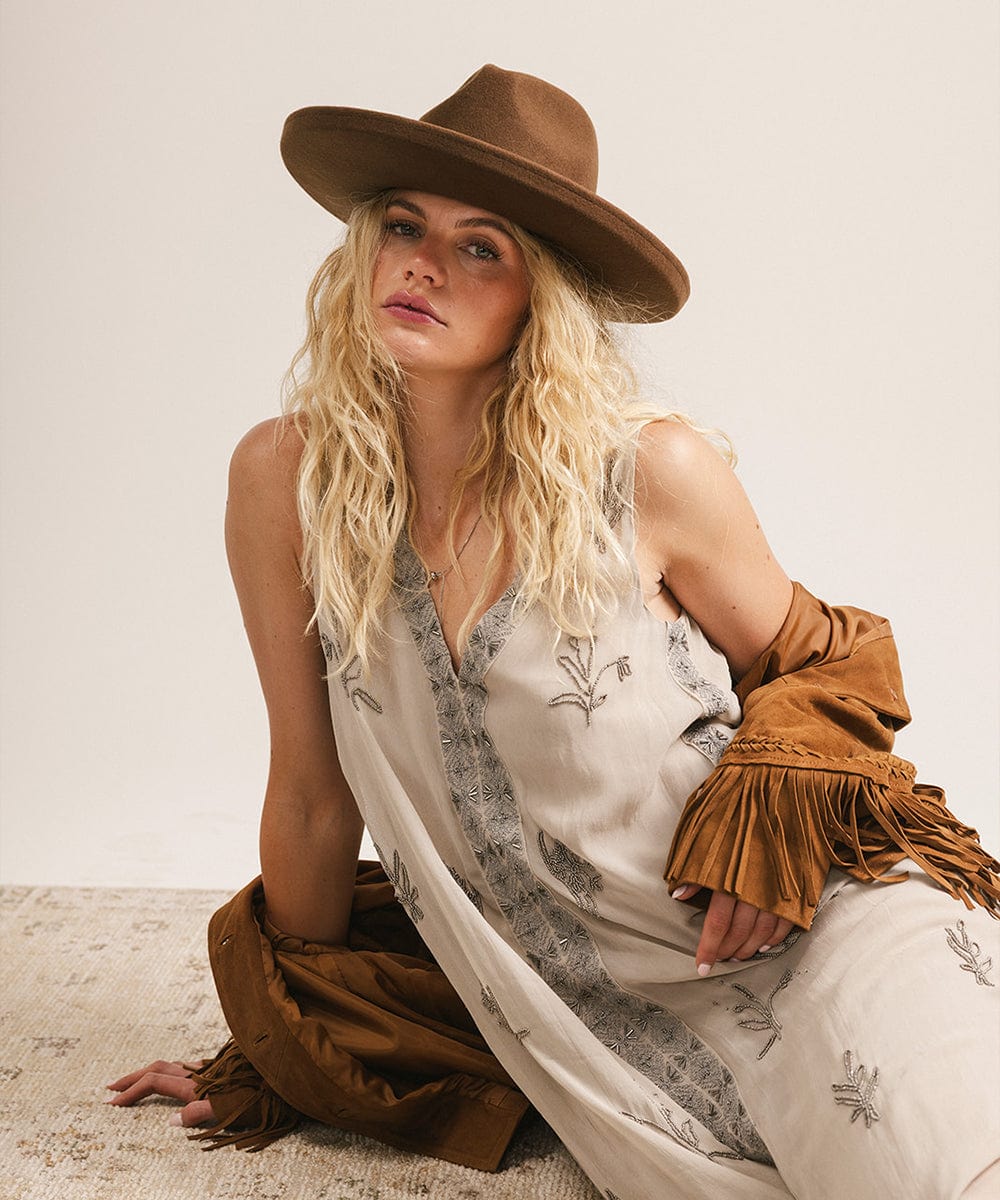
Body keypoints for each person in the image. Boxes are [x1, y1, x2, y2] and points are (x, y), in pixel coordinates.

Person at [108, 66, 999, 1199]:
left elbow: (826, 657)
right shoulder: (284, 483)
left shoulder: (649, 471)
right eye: (402, 226)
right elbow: (311, 793)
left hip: (813, 932)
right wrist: (293, 1046)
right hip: (580, 1025)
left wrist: (769, 816)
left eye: (481, 246)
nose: (423, 264)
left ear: (545, 294)